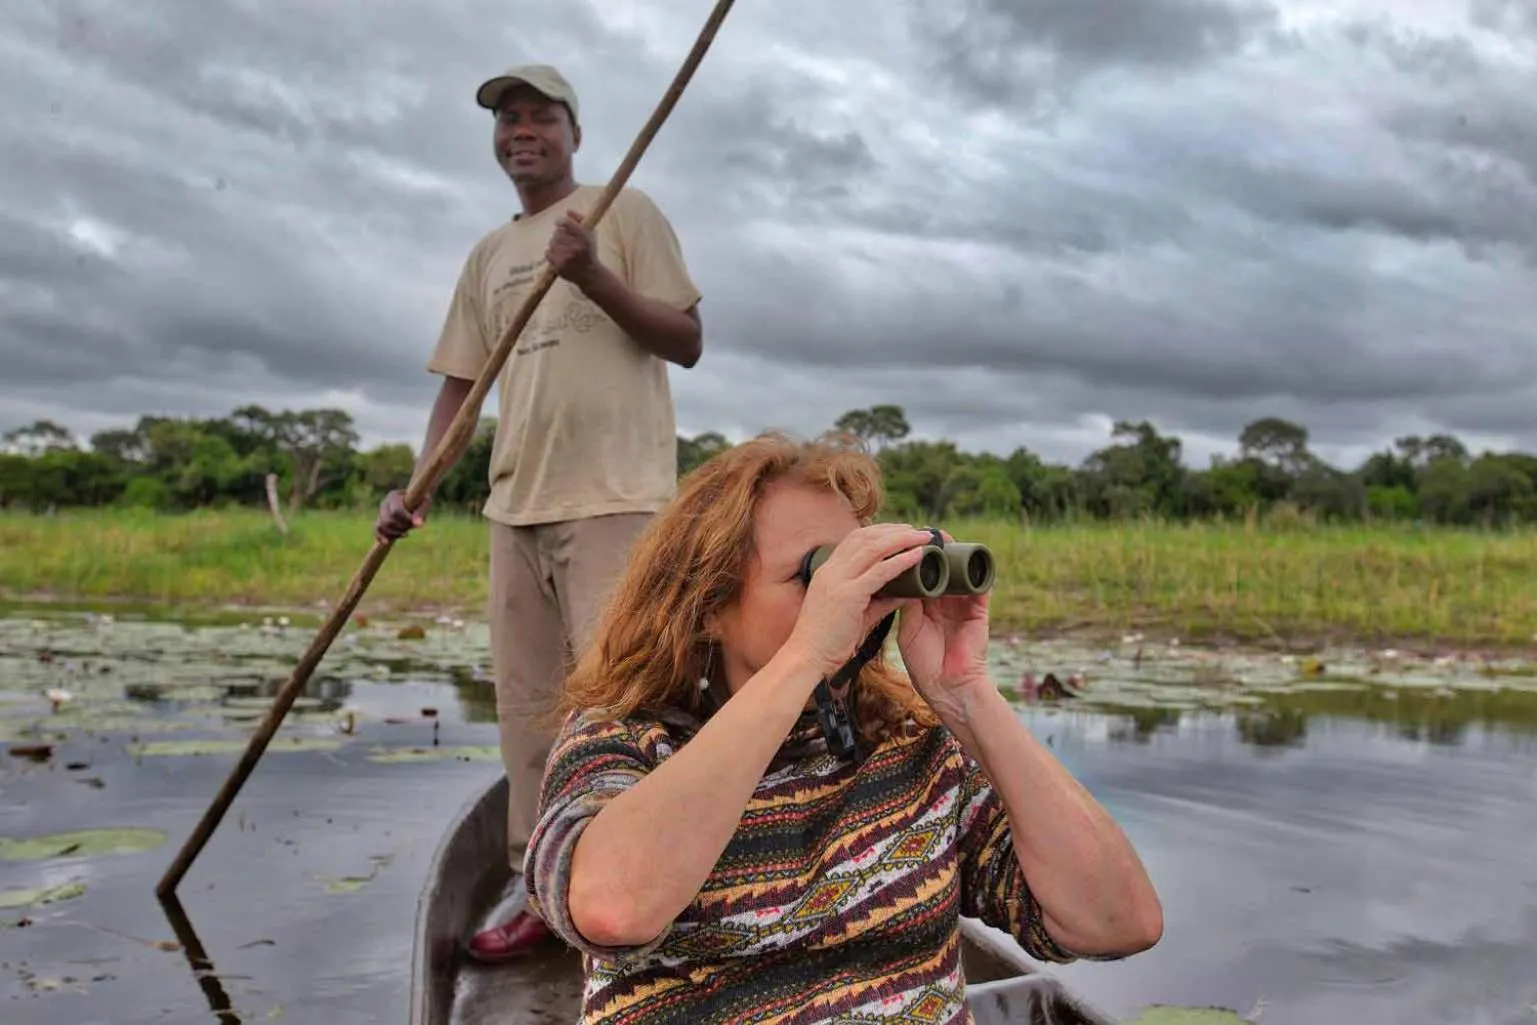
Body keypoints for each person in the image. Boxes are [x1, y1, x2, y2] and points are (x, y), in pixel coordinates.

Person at [523, 431, 1164, 1023]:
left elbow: (1116, 922)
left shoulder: (910, 746)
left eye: (855, 572)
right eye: (818, 574)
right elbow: (611, 908)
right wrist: (806, 658)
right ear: (709, 607)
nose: (848, 600)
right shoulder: (624, 741)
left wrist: (965, 694)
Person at [374, 63, 704, 963]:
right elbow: (459, 388)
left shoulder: (621, 212)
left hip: (617, 500)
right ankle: (539, 887)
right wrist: (420, 483)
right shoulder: (486, 254)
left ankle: (654, 897)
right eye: (507, 120)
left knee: (631, 705)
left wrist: (592, 275)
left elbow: (686, 340)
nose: (521, 131)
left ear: (573, 132)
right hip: (514, 507)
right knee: (525, 710)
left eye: (540, 117)